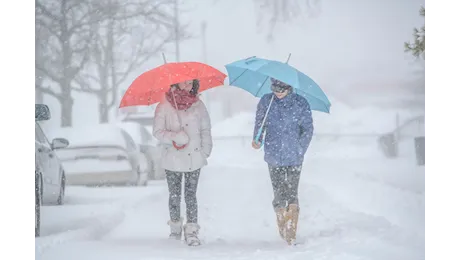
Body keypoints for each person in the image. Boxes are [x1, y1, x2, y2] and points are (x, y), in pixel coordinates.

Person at [251, 78, 314, 245]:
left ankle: (292, 227)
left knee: (292, 191)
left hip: (294, 156)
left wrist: (300, 148)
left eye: (281, 88)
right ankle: (281, 219)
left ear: (289, 87)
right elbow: (260, 124)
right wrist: (257, 139)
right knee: (279, 190)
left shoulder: (301, 103)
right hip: (274, 155)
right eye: (274, 88)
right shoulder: (266, 101)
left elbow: (307, 129)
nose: (278, 92)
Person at [152, 79, 212, 246]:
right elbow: (157, 131)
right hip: (172, 157)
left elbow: (206, 129)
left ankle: (192, 230)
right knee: (175, 195)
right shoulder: (164, 105)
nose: (188, 86)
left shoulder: (198, 105)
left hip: (194, 156)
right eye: (184, 83)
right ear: (176, 84)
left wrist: (205, 150)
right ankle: (175, 228)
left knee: (191, 195)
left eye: (191, 83)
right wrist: (174, 136)